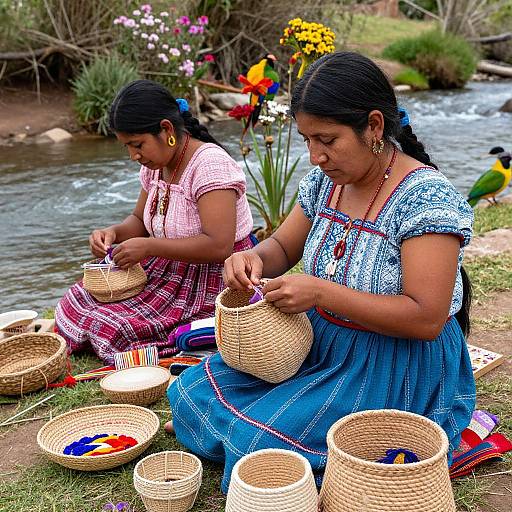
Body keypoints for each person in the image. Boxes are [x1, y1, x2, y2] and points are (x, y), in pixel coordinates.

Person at [167, 52, 476, 492]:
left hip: (393, 361)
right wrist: (251, 258)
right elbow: (281, 246)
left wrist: (321, 294)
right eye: (307, 139)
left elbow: (426, 319)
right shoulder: (326, 183)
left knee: (260, 443)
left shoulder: (425, 199)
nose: (315, 156)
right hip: (319, 343)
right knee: (189, 393)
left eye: (327, 140)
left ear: (373, 126)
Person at [56, 79, 254, 363]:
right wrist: (112, 233)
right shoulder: (156, 166)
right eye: (127, 146)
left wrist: (149, 247)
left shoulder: (210, 166)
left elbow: (219, 246)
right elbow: (139, 219)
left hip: (211, 277)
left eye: (138, 144)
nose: (133, 155)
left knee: (116, 326)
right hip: (167, 269)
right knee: (77, 300)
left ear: (166, 130)